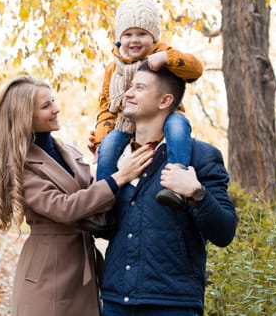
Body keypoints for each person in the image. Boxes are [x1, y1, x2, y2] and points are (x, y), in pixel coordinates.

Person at [0, 76, 154, 316]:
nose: (56, 109)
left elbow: (90, 193)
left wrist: (103, 162)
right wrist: (119, 177)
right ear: (25, 116)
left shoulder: (64, 150)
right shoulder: (20, 165)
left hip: (80, 263)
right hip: (48, 273)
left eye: (53, 101)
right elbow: (63, 207)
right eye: (45, 106)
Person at [99, 63, 238, 315]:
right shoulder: (113, 157)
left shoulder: (201, 156)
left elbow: (225, 232)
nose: (128, 93)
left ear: (165, 100)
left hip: (173, 304)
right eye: (130, 87)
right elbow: (106, 229)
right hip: (115, 302)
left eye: (139, 88)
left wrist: (196, 193)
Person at [94, 0, 204, 206]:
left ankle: (175, 183)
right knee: (107, 149)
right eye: (128, 34)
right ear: (119, 38)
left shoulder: (164, 54)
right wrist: (99, 139)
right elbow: (106, 105)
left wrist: (167, 59)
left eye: (142, 33)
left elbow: (195, 69)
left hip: (163, 117)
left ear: (153, 36)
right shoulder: (113, 68)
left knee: (178, 126)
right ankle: (103, 204)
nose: (134, 40)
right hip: (124, 122)